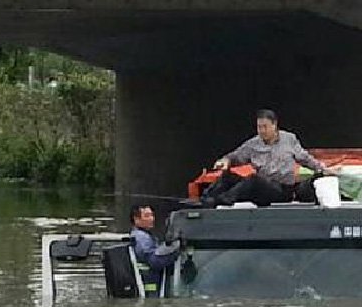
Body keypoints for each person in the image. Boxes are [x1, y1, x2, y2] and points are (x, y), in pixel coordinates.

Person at [202, 109, 335, 207]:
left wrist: (322, 168)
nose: (261, 131)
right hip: (263, 188)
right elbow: (236, 156)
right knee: (228, 176)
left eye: (264, 127)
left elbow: (305, 158)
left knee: (254, 180)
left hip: (282, 191)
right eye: (259, 127)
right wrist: (225, 161)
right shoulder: (253, 144)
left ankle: (222, 200)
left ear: (274, 125)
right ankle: (205, 199)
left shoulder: (289, 139)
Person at [129, 204, 180, 296]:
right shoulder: (142, 238)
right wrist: (174, 249)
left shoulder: (144, 236)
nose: (152, 219)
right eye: (147, 216)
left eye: (152, 215)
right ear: (136, 219)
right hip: (150, 292)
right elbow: (155, 261)